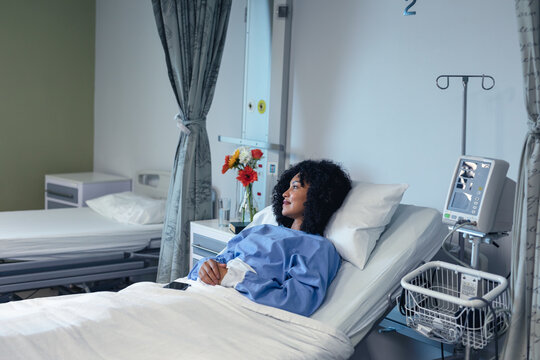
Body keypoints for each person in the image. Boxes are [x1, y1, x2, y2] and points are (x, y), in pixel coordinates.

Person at [188, 160, 352, 316]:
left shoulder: (317, 247)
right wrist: (206, 267)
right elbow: (218, 261)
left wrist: (231, 277)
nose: (285, 193)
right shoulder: (261, 230)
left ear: (318, 194)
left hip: (239, 303)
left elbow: (297, 301)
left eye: (294, 187)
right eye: (287, 187)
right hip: (204, 290)